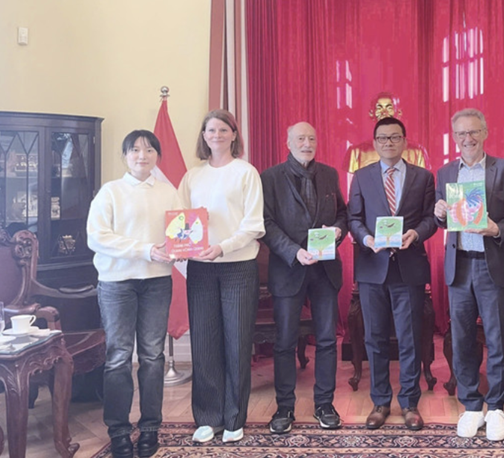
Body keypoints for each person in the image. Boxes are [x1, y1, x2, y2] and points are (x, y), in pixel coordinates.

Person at [433, 109, 504, 441]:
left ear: (485, 132)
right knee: (461, 339)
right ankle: (471, 405)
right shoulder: (445, 173)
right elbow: (443, 219)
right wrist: (439, 213)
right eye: (461, 133)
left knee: (497, 338)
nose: (468, 138)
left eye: (473, 132)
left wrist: (497, 228)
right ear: (454, 137)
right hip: (459, 265)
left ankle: (497, 407)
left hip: (493, 265)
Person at [87, 130, 182, 458]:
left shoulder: (169, 192)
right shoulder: (110, 192)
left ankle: (150, 427)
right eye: (135, 150)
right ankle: (118, 431)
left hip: (157, 282)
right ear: (125, 155)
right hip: (117, 283)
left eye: (149, 150)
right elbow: (97, 238)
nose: (143, 155)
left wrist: (184, 246)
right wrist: (146, 250)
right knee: (118, 356)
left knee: (153, 357)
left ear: (157, 155)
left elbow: (180, 233)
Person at [178, 109, 265, 444]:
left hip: (238, 266)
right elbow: (181, 220)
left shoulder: (246, 173)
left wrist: (223, 247)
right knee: (204, 343)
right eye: (210, 130)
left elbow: (254, 225)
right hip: (200, 268)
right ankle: (207, 417)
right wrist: (182, 247)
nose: (216, 135)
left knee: (237, 343)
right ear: (204, 136)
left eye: (223, 130)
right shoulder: (192, 176)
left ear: (233, 135)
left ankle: (233, 418)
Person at [348, 116, 437, 430]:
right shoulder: (361, 177)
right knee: (374, 339)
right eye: (383, 138)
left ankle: (410, 403)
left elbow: (431, 218)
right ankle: (380, 401)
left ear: (404, 141)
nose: (389, 142)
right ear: (375, 143)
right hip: (372, 267)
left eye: (395, 137)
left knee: (410, 338)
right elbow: (353, 218)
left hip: (409, 267)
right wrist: (366, 239)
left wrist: (417, 233)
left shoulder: (423, 177)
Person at [260, 122, 348, 434]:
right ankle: (284, 407)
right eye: (300, 138)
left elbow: (343, 214)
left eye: (311, 138)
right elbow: (266, 223)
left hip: (325, 269)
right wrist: (293, 251)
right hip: (289, 268)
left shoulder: (329, 174)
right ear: (288, 143)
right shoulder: (270, 177)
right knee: (285, 341)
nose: (307, 143)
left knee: (327, 340)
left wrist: (338, 230)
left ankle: (324, 404)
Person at [344, 92, 429, 173]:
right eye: (379, 108)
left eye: (389, 108)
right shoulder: (356, 152)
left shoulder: (417, 152)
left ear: (399, 112)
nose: (384, 113)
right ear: (371, 113)